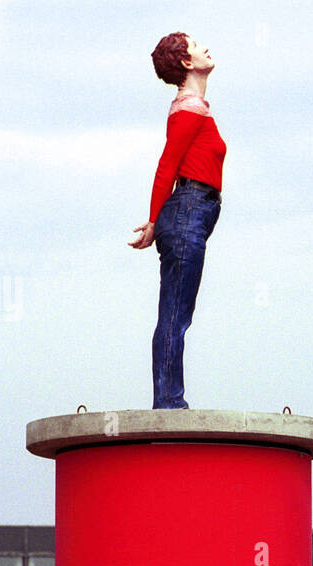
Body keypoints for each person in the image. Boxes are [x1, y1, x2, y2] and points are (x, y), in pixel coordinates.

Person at [129, 32, 227, 410]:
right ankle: (169, 403)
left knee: (177, 312)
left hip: (193, 212)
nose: (205, 47)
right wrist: (153, 222)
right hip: (187, 210)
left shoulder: (196, 107)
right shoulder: (188, 109)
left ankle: (169, 399)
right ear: (187, 62)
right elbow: (167, 165)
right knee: (175, 314)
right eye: (196, 45)